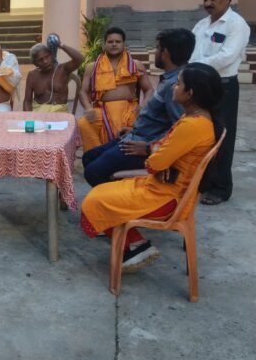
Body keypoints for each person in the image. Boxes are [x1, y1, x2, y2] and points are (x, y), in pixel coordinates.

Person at [81, 63, 222, 272]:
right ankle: (135, 245)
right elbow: (163, 147)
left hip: (167, 198)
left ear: (190, 93)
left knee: (95, 201)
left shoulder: (192, 125)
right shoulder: (197, 119)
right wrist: (158, 151)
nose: (174, 87)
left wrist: (155, 154)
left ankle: (134, 246)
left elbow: (155, 163)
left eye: (179, 84)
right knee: (100, 194)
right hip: (163, 187)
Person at [83, 29, 196, 186]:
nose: (155, 52)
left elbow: (180, 128)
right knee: (88, 157)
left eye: (157, 48)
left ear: (165, 53)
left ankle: (115, 197)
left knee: (93, 171)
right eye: (110, 41)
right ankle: (110, 191)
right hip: (136, 135)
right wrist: (135, 130)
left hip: (142, 146)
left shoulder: (175, 86)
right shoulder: (170, 79)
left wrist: (149, 148)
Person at [190, 0, 251, 206]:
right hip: (200, 86)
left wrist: (194, 66)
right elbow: (192, 51)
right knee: (202, 134)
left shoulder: (236, 25)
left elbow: (227, 56)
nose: (207, 3)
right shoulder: (202, 25)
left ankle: (222, 188)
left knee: (222, 135)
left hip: (223, 87)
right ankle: (204, 181)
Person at [77, 27, 153, 152]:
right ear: (105, 44)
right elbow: (83, 91)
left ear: (123, 44)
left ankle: (127, 156)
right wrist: (88, 108)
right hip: (102, 109)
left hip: (129, 110)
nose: (114, 44)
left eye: (118, 41)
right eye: (110, 41)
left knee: (143, 124)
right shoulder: (92, 66)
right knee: (84, 123)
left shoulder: (135, 65)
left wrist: (143, 106)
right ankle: (96, 154)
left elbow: (149, 89)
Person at [23, 35, 84, 112]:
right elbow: (27, 101)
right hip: (38, 112)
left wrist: (61, 45)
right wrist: (28, 117)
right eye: (40, 60)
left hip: (60, 112)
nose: (45, 61)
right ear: (35, 63)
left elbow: (80, 59)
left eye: (47, 57)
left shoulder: (63, 69)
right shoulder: (32, 75)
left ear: (52, 55)